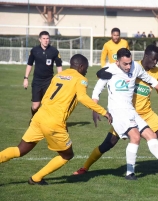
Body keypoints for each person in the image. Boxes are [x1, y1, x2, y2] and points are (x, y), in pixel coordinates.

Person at [73, 45, 158, 178]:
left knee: (151, 135)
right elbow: (97, 89)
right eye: (125, 64)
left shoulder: (136, 67)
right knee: (124, 140)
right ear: (117, 62)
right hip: (117, 111)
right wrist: (95, 108)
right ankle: (128, 173)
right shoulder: (110, 69)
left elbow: (151, 80)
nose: (129, 67)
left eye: (130, 63)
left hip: (131, 111)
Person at [0, 54, 112, 185]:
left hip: (40, 116)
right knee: (67, 155)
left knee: (19, 150)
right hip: (53, 122)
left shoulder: (58, 76)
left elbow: (46, 97)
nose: (86, 71)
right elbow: (82, 97)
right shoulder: (81, 79)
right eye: (86, 68)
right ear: (80, 66)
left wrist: (37, 116)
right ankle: (36, 178)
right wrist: (103, 111)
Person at [23, 31, 62, 120]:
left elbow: (59, 66)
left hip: (49, 82)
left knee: (47, 104)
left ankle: (45, 123)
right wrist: (26, 78)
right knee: (35, 106)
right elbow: (29, 64)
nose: (46, 40)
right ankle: (33, 118)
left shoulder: (54, 51)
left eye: (47, 38)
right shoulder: (34, 51)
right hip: (37, 81)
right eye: (44, 38)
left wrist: (60, 80)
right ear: (40, 40)